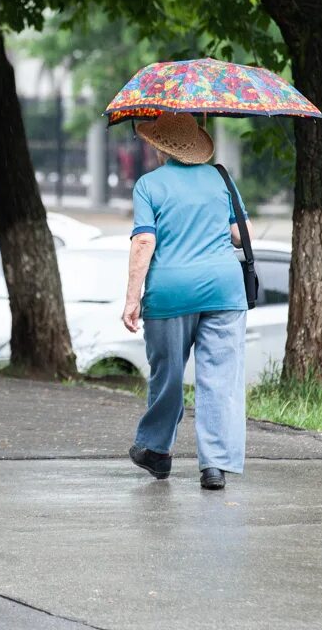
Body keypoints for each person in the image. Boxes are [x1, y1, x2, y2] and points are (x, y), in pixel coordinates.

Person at [122, 112, 253, 490]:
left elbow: (144, 242)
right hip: (225, 292)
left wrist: (132, 298)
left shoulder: (149, 185)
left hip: (170, 294)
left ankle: (157, 451)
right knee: (220, 379)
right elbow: (240, 235)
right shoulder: (220, 178)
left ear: (159, 147)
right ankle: (215, 465)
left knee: (169, 374)